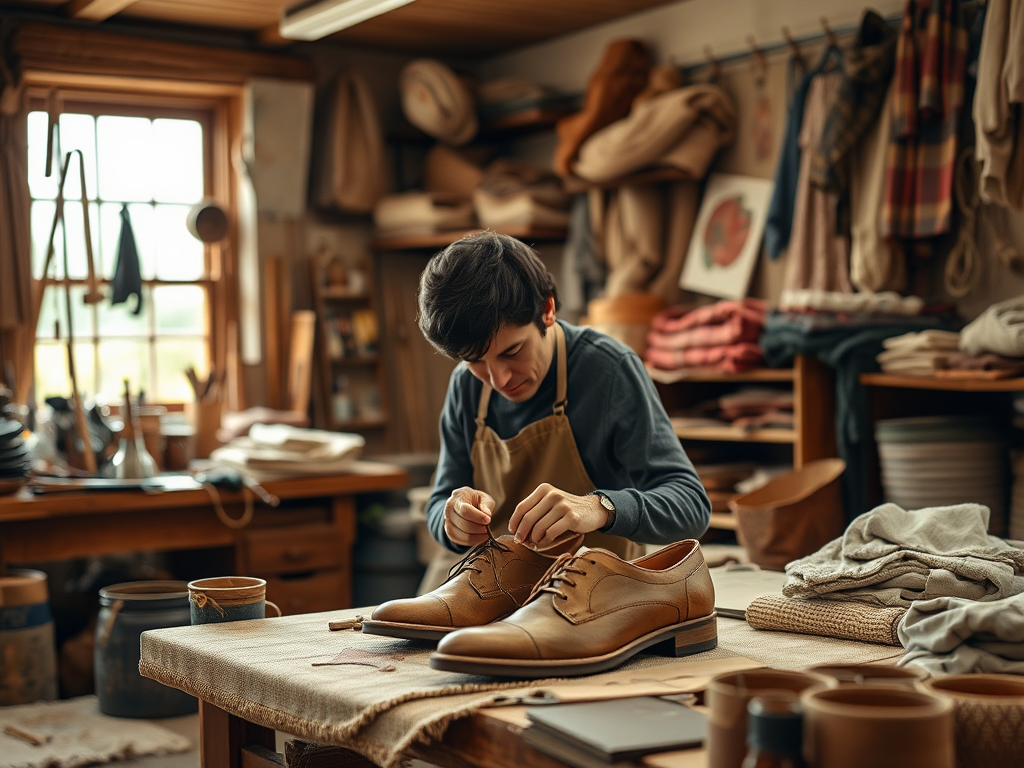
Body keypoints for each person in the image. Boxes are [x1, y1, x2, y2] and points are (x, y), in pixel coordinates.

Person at [418, 231, 711, 559]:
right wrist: (452, 520)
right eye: (474, 361)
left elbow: (692, 507)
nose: (497, 378)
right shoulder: (465, 385)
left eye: (512, 351)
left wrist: (599, 507)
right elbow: (439, 501)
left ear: (548, 310)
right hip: (491, 589)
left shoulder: (609, 370)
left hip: (591, 592)